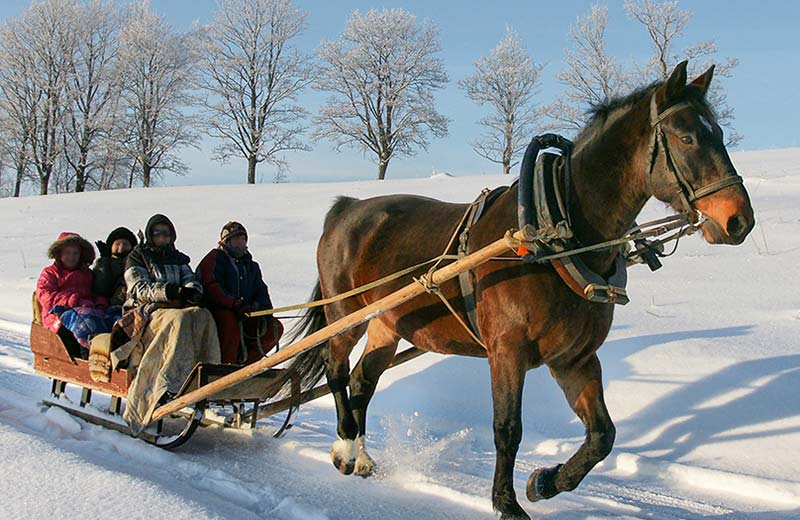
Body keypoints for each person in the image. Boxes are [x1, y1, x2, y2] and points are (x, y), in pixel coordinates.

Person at [110, 214, 220, 434]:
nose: (162, 237)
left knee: (204, 315)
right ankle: (167, 381)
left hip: (176, 307)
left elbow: (190, 278)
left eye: (166, 233)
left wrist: (193, 292)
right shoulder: (138, 256)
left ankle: (208, 374)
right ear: (151, 235)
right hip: (146, 312)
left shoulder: (178, 258)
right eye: (158, 233)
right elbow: (139, 289)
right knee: (178, 320)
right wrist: (169, 291)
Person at [197, 221, 284, 364]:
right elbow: (212, 286)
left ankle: (247, 366)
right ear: (226, 242)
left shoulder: (252, 266)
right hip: (219, 313)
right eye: (237, 239)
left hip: (245, 313)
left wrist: (263, 308)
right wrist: (234, 303)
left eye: (243, 239)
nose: (241, 243)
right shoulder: (215, 258)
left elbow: (261, 290)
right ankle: (226, 368)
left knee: (273, 328)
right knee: (229, 322)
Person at [35, 232, 118, 355]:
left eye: (75, 253)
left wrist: (100, 303)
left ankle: (112, 353)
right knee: (85, 321)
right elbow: (46, 296)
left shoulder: (87, 274)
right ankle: (88, 355)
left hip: (87, 310)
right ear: (59, 254)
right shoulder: (50, 273)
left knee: (114, 316)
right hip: (57, 315)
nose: (71, 257)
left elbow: (95, 292)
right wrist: (74, 300)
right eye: (67, 253)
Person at [92, 227, 137, 306]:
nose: (121, 247)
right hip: (108, 302)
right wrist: (104, 261)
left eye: (125, 244)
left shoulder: (136, 262)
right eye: (117, 244)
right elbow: (102, 287)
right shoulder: (104, 262)